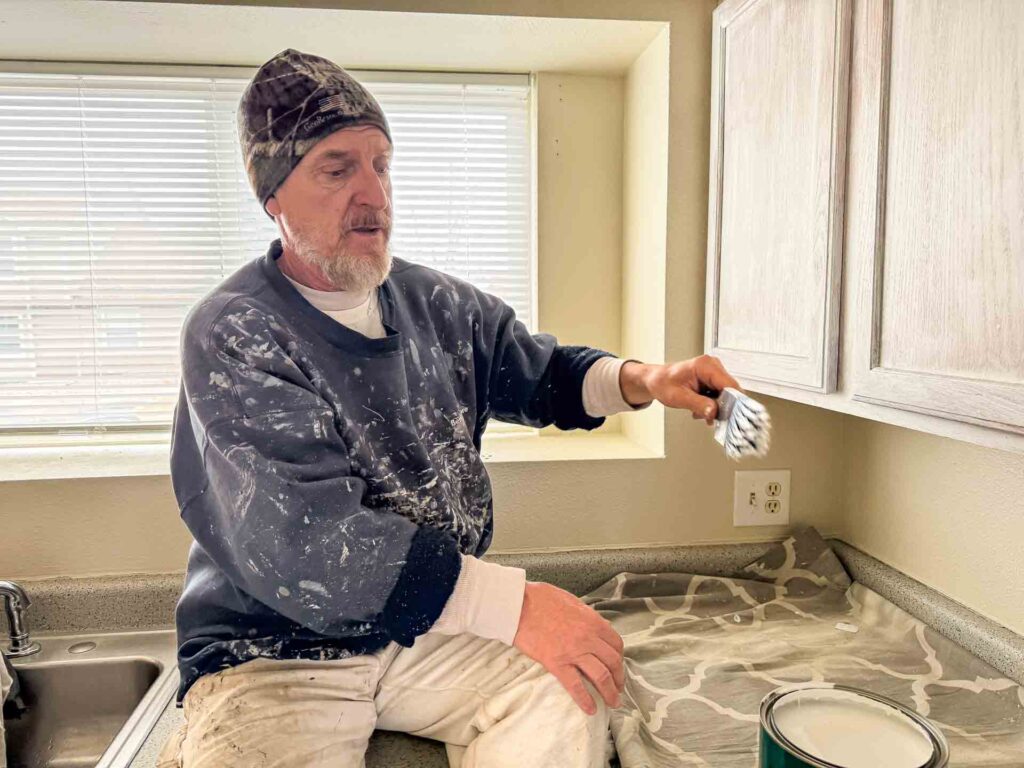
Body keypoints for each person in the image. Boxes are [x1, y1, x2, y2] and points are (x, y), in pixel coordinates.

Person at [159, 48, 740, 768]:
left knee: (575, 687)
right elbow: (313, 541)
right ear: (273, 196)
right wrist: (520, 607)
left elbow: (540, 372)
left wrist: (646, 379)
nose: (372, 193)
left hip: (423, 628)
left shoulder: (438, 303)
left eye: (381, 164)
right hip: (275, 650)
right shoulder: (235, 331)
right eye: (337, 169)